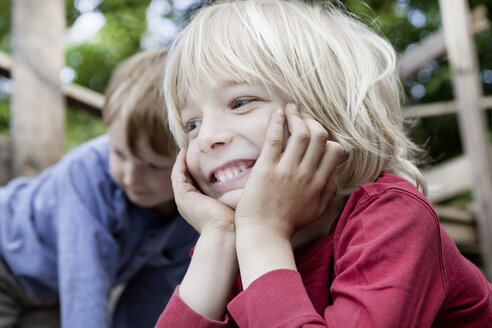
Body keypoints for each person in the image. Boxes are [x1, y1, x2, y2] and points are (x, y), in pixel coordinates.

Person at [155, 0, 492, 327]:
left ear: (327, 112)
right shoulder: (234, 244)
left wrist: (263, 234)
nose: (206, 137)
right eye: (192, 124)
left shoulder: (393, 217)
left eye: (240, 102)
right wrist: (218, 238)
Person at [0, 48, 198, 328]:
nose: (131, 177)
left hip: (48, 293)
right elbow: (84, 284)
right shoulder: (86, 174)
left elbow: (151, 295)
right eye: (118, 153)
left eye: (153, 166)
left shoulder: (191, 212)